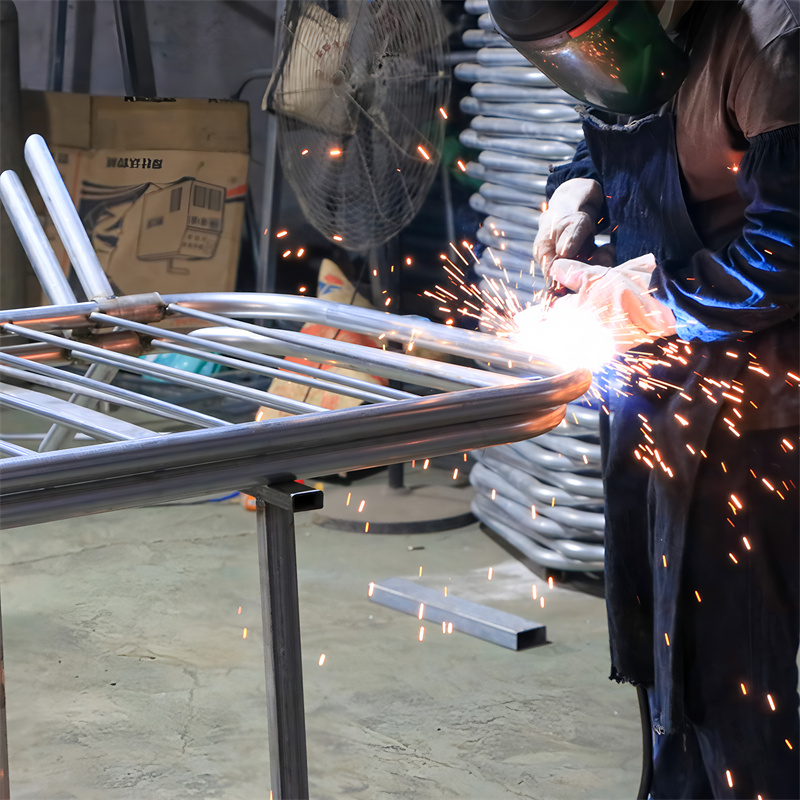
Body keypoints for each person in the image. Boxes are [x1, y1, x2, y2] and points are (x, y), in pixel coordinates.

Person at [488, 1, 799, 797]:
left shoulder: (768, 39)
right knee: (664, 642)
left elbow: (792, 244)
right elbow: (620, 133)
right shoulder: (628, 41)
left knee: (735, 661)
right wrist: (577, 187)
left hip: (757, 408)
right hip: (659, 392)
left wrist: (659, 298)